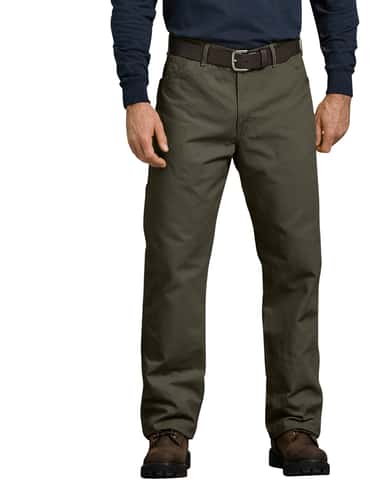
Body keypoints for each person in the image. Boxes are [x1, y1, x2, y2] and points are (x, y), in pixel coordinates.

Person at [111, 0, 358, 477]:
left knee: (296, 258)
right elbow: (133, 2)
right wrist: (134, 96)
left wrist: (340, 84)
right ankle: (169, 425)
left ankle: (296, 423)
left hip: (281, 80)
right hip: (190, 81)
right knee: (174, 260)